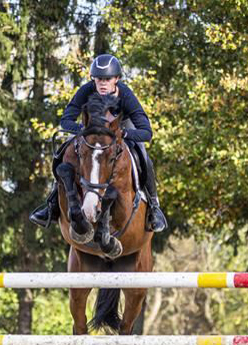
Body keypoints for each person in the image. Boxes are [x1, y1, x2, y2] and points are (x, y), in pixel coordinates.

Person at [29, 54, 167, 232]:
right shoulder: (86, 90)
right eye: (98, 79)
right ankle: (53, 202)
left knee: (143, 155)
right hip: (91, 131)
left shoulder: (125, 94)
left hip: (121, 129)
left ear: (116, 79)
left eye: (107, 79)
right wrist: (84, 130)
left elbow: (146, 132)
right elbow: (66, 120)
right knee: (64, 151)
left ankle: (154, 207)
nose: (102, 83)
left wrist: (123, 133)